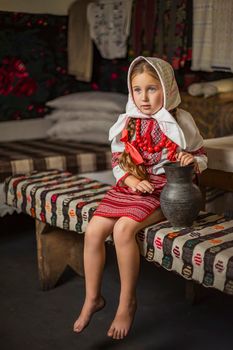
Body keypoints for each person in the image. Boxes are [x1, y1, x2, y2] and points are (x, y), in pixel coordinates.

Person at [73, 56, 207, 339]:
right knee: (94, 230)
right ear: (130, 91)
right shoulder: (129, 121)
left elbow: (200, 155)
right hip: (132, 185)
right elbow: (119, 159)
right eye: (137, 90)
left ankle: (126, 302)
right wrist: (132, 179)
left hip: (165, 189)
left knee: (123, 229)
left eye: (152, 89)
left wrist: (189, 159)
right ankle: (92, 298)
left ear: (167, 89)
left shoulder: (180, 120)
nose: (144, 98)